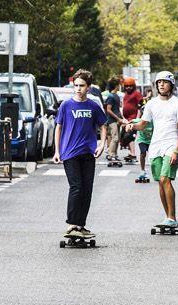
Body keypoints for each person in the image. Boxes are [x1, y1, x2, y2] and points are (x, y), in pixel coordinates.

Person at [126, 71, 178, 228]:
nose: (161, 84)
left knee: (165, 179)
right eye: (159, 82)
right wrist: (132, 125)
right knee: (160, 183)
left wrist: (176, 150)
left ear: (171, 85)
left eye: (165, 82)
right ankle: (167, 217)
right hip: (155, 147)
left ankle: (172, 217)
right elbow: (143, 124)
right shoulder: (152, 104)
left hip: (170, 145)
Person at [53, 69, 108, 238]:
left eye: (82, 86)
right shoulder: (66, 105)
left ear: (88, 87)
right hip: (69, 153)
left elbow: (103, 125)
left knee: (87, 189)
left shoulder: (93, 106)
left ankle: (80, 225)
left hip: (88, 153)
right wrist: (57, 151)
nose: (78, 89)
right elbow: (58, 127)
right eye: (76, 85)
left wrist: (102, 145)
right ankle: (71, 223)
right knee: (76, 187)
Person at [104, 78, 129, 161]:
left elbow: (117, 110)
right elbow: (108, 109)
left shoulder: (116, 96)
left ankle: (114, 154)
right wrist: (118, 118)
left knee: (117, 138)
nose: (120, 86)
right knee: (115, 138)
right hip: (112, 121)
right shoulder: (111, 96)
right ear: (116, 86)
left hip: (117, 120)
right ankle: (111, 155)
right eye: (119, 84)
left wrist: (122, 118)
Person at [122, 77, 144, 161]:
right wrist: (123, 118)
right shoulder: (125, 94)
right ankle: (131, 153)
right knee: (125, 137)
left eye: (130, 86)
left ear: (133, 86)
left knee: (130, 136)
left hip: (133, 119)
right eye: (126, 86)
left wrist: (137, 119)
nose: (128, 87)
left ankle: (133, 154)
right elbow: (124, 105)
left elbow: (140, 107)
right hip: (126, 119)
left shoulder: (137, 94)